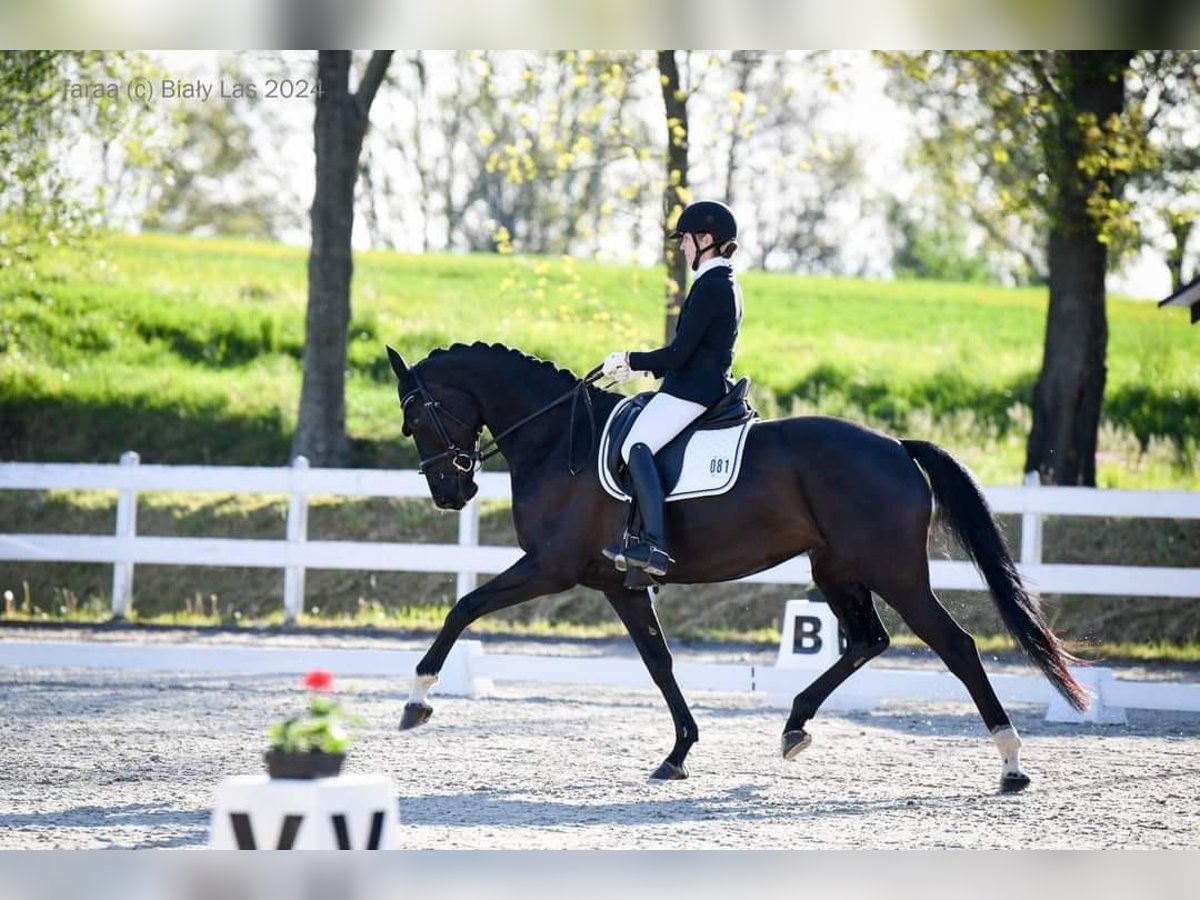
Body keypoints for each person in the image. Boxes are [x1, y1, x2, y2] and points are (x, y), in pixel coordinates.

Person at [600, 199, 743, 578]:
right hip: (694, 385)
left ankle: (654, 546)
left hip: (694, 391)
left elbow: (679, 353)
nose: (681, 246)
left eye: (686, 240)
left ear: (706, 239)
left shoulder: (713, 285)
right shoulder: (720, 281)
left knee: (635, 446)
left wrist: (631, 360)